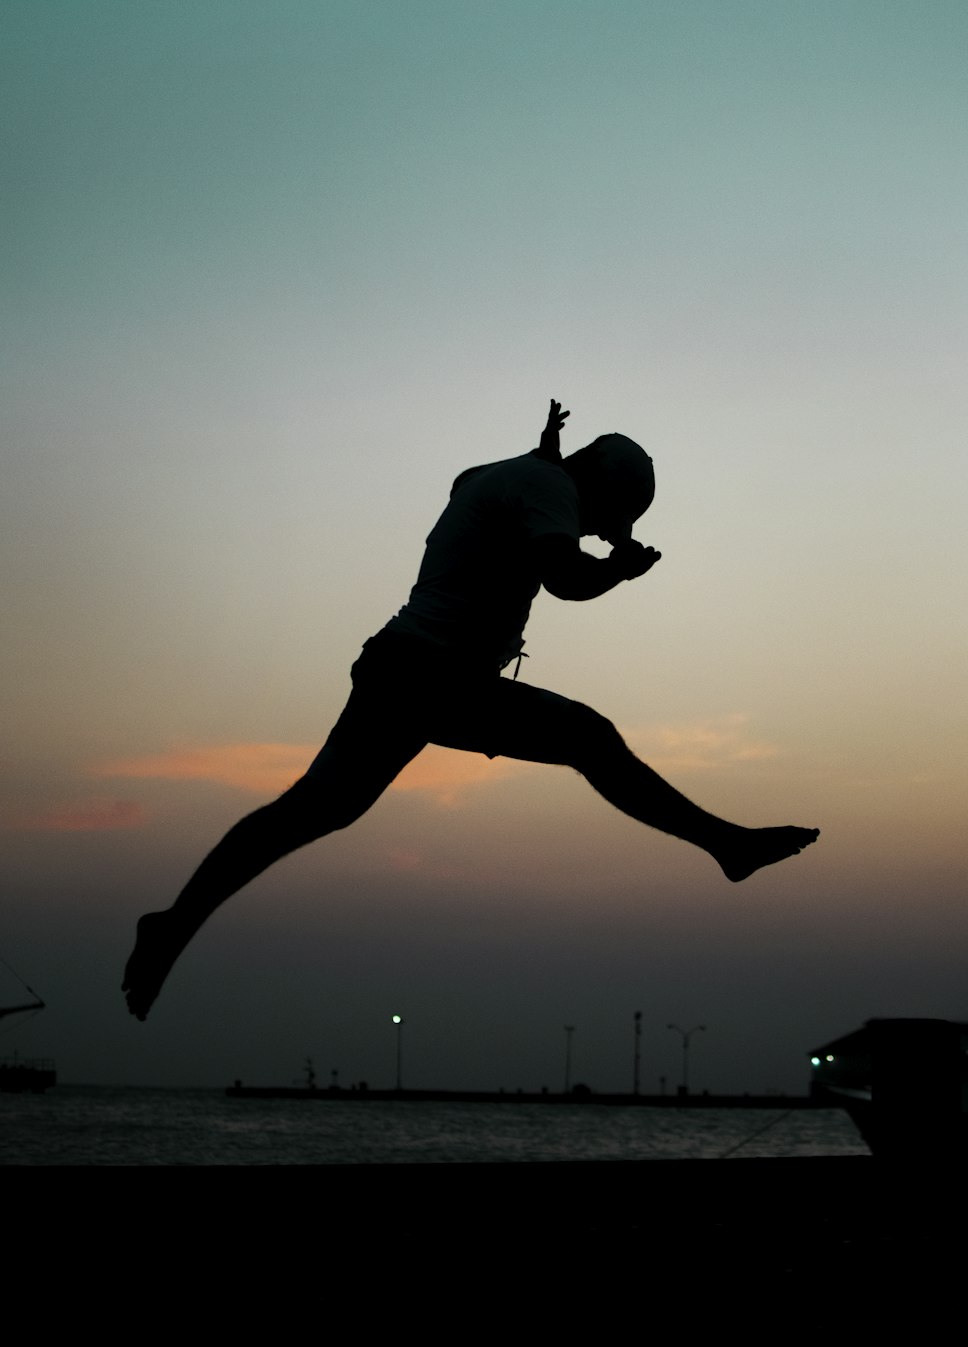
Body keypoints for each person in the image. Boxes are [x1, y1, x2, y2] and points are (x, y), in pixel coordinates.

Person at [123, 402, 818, 1020]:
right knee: (588, 735)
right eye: (612, 515)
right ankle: (726, 844)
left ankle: (174, 922)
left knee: (311, 810)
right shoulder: (548, 487)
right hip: (429, 673)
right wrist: (618, 569)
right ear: (593, 485)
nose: (608, 530)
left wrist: (550, 465)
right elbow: (565, 577)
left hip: (397, 667)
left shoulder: (525, 476)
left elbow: (474, 485)